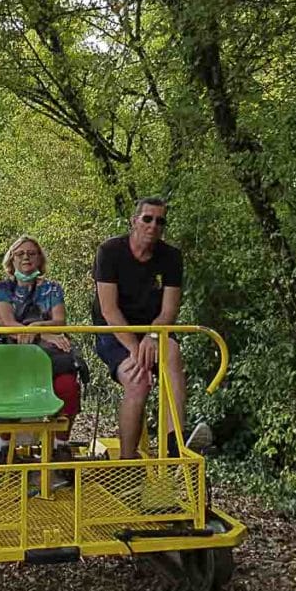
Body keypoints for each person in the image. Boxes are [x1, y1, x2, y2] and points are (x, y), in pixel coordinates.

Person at [92, 197, 209, 459]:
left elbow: (169, 310)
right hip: (114, 330)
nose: (153, 225)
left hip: (153, 329)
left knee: (172, 354)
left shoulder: (171, 257)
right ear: (134, 221)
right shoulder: (109, 252)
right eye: (147, 218)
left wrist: (153, 336)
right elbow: (109, 310)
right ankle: (127, 461)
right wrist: (136, 348)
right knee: (139, 381)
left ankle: (173, 444)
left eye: (160, 221)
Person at [0, 235, 82, 463]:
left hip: (48, 355)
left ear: (40, 259)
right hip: (14, 352)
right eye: (20, 254)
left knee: (68, 386)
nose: (26, 258)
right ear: (11, 260)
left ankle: (60, 447)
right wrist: (44, 332)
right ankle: (4, 449)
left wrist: (36, 327)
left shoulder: (52, 288)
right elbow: (7, 323)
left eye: (32, 253)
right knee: (5, 386)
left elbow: (59, 321)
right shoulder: (1, 288)